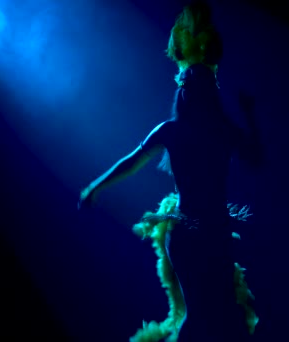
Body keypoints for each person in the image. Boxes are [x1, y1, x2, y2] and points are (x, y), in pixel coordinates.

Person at [78, 2, 263, 341]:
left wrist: (95, 187)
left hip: (202, 232)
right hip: (205, 232)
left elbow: (131, 161)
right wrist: (249, 114)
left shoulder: (181, 130)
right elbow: (257, 157)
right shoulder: (217, 129)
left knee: (212, 313)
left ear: (183, 94)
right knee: (213, 313)